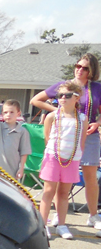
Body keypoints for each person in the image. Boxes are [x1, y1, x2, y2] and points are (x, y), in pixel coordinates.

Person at [31, 53, 101, 228]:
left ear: (92, 70)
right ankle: (58, 216)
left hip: (88, 135)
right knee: (61, 177)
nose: (80, 70)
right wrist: (57, 110)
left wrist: (98, 123)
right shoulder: (64, 87)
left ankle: (93, 215)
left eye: (85, 68)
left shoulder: (97, 88)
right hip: (65, 135)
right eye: (78, 66)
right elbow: (35, 100)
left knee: (90, 176)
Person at [38, 82, 87, 240]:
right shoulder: (52, 116)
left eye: (67, 95)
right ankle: (43, 225)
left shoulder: (82, 118)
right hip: (53, 157)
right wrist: (53, 153)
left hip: (72, 159)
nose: (63, 98)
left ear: (76, 97)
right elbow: (47, 138)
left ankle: (62, 225)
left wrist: (77, 156)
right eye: (60, 95)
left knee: (64, 193)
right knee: (48, 191)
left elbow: (82, 140)